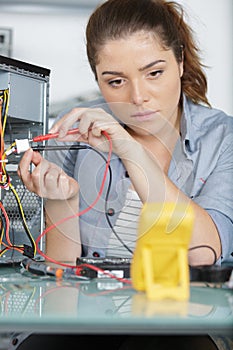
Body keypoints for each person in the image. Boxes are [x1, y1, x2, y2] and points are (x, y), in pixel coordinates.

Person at [17, 0, 233, 349]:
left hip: (184, 321)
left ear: (180, 62)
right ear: (98, 80)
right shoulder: (79, 132)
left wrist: (131, 151)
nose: (137, 97)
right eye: (116, 81)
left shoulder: (224, 138)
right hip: (92, 321)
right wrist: (62, 202)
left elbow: (203, 253)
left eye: (154, 73)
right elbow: (61, 300)